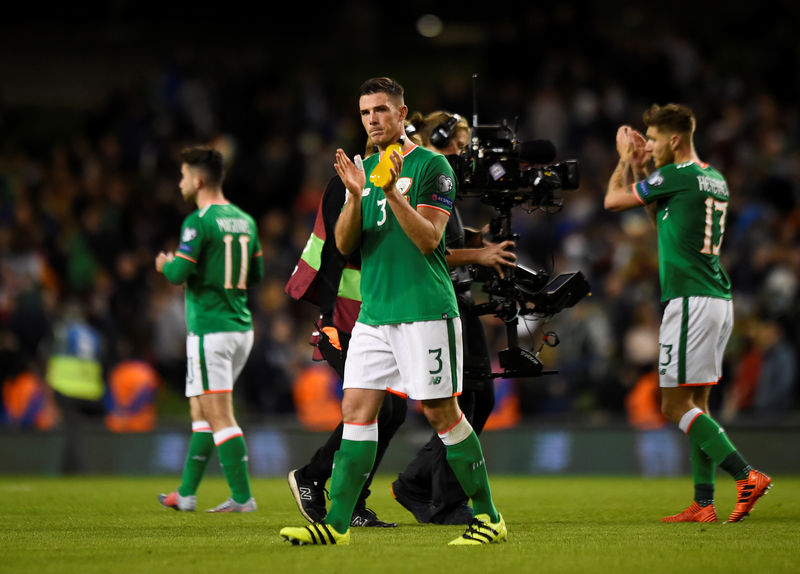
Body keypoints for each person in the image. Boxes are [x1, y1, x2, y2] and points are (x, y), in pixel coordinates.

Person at [279, 77, 507, 546]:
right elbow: (343, 246)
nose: (373, 119)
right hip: (374, 314)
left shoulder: (432, 165)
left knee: (443, 415)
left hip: (425, 310)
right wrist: (356, 195)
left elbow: (430, 240)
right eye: (365, 113)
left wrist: (392, 192)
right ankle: (337, 525)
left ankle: (490, 518)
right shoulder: (361, 170)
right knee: (357, 413)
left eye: (381, 110)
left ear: (403, 115)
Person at [604, 103, 772, 523]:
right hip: (717, 299)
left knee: (673, 405)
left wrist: (626, 160)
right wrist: (646, 170)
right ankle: (703, 502)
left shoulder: (676, 176)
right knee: (698, 402)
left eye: (656, 139)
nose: (652, 146)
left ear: (675, 140)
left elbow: (611, 202)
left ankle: (746, 475)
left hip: (690, 300)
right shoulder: (712, 177)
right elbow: (657, 213)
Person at [390, 110, 517, 525]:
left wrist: (478, 241)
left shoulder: (443, 178)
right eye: (459, 144)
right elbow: (429, 249)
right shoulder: (428, 173)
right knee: (464, 401)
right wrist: (477, 253)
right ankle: (443, 499)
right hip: (438, 300)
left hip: (455, 297)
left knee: (478, 398)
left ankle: (416, 482)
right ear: (440, 137)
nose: (465, 153)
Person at [285, 167, 408, 528]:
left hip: (378, 313)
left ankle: (347, 498)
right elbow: (339, 249)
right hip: (344, 314)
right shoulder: (347, 182)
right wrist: (328, 320)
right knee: (381, 411)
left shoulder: (402, 176)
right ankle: (313, 477)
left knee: (393, 412)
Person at [156, 145, 263, 513]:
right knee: (201, 412)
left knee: (218, 414)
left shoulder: (197, 222)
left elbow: (178, 274)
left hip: (211, 330)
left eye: (183, 175)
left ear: (199, 180)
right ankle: (185, 494)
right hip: (240, 327)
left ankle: (242, 497)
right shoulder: (246, 220)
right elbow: (258, 273)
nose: (180, 182)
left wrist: (165, 263)